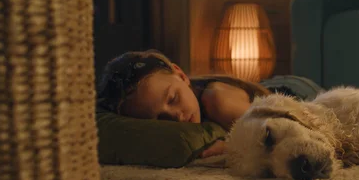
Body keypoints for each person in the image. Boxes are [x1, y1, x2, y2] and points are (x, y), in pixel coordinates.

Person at [96, 49, 271, 158]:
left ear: (180, 75)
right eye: (159, 118)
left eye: (173, 99)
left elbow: (278, 132)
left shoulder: (217, 100)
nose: (176, 117)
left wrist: (230, 148)